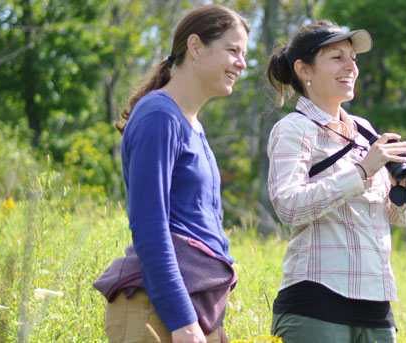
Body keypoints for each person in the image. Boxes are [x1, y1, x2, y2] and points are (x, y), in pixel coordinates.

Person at [93, 5, 249, 343]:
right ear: (195, 47)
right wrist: (182, 321)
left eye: (243, 53)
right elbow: (150, 226)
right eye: (232, 50)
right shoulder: (159, 116)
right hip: (155, 311)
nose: (242, 63)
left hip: (194, 310)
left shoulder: (190, 122)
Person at [264, 21, 406, 343]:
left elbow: (398, 219)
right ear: (304, 70)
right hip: (316, 300)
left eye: (353, 58)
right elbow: (289, 208)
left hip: (376, 304)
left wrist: (403, 189)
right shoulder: (293, 129)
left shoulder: (365, 130)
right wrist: (363, 171)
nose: (351, 67)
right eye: (337, 58)